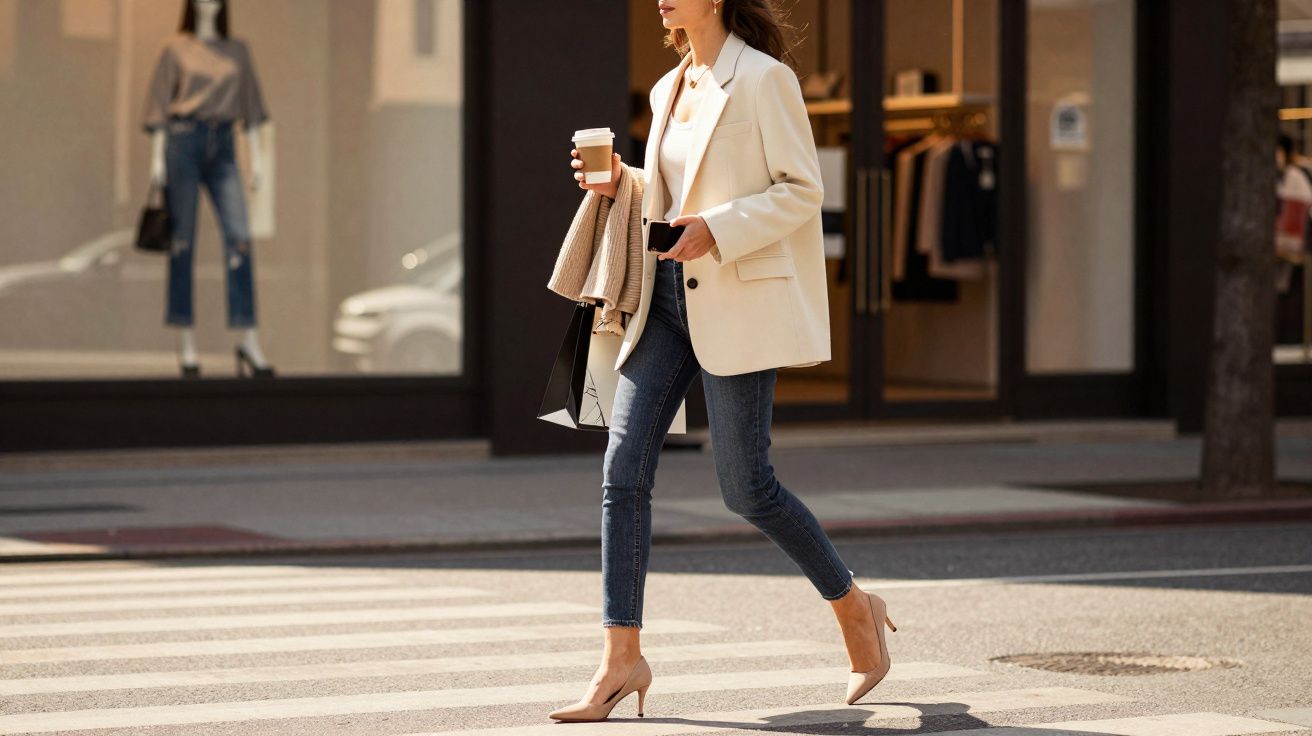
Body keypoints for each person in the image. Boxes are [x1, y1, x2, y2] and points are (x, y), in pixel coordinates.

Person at [554, 0, 896, 722]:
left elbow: (802, 190)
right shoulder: (669, 86)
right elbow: (674, 196)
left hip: (734, 295)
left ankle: (853, 604)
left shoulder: (765, 79)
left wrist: (721, 228)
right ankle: (622, 658)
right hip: (666, 302)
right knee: (623, 471)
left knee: (747, 488)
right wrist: (625, 183)